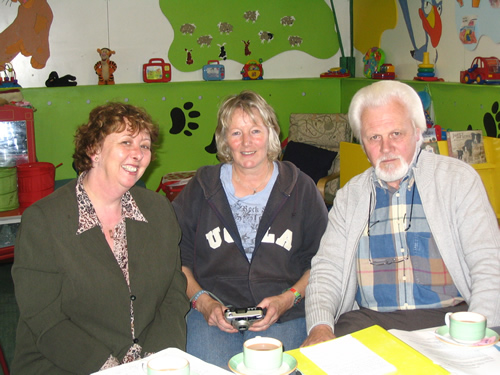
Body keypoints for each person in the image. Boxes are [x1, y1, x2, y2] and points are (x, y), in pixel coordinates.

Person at [303, 80, 500, 347]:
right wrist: (320, 326)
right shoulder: (351, 196)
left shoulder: (457, 180)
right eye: (374, 137)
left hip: (450, 319)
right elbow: (328, 269)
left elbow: (489, 264)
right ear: (362, 144)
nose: (386, 148)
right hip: (370, 322)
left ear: (418, 133)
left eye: (396, 134)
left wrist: (477, 327)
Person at [11, 102, 189, 374]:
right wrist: (111, 369)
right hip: (63, 362)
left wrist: (157, 358)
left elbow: (173, 291)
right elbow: (44, 319)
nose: (138, 154)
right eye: (126, 142)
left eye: (144, 145)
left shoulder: (158, 210)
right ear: (94, 150)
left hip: (145, 359)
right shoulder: (44, 221)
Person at [172, 90, 328, 367]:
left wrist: (286, 300)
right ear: (223, 140)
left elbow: (322, 261)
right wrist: (203, 302)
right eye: (236, 133)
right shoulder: (201, 186)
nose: (246, 142)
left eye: (255, 130)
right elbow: (176, 258)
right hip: (213, 314)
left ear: (271, 134)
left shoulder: (301, 187)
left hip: (284, 313)